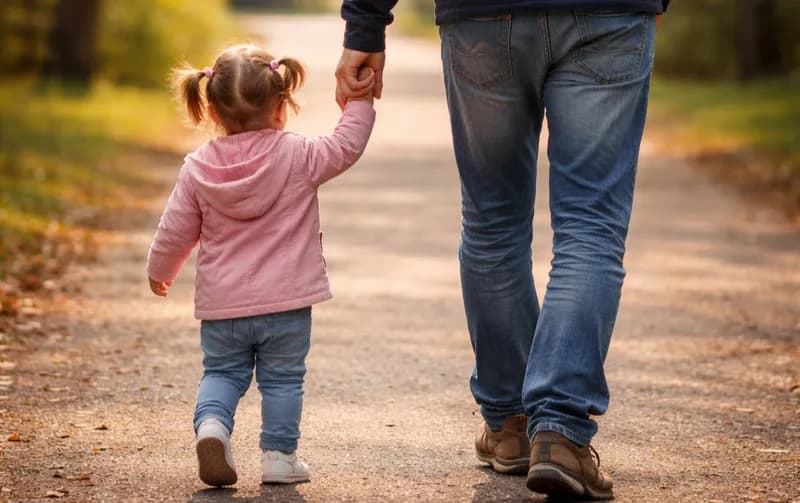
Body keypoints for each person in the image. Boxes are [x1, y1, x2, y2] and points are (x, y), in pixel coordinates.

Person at [337, 0, 668, 499]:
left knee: (493, 223)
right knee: (592, 225)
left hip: (482, 17)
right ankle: (559, 431)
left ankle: (511, 424)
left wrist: (365, 26)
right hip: (609, 14)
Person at [146, 44, 375, 487]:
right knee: (283, 380)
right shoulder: (298, 155)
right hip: (286, 304)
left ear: (212, 111)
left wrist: (161, 270)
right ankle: (279, 457)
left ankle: (213, 427)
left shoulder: (198, 168)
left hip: (223, 306)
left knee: (222, 373)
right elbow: (346, 145)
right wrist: (360, 101)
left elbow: (175, 229)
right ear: (280, 106)